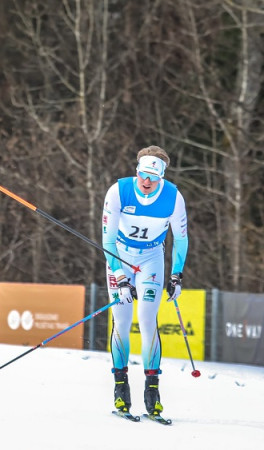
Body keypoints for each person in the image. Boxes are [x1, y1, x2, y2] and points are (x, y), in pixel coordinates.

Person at [101, 145, 188, 419]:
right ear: (136, 171)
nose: (146, 182)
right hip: (120, 257)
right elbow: (107, 239)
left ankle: (152, 392)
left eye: (153, 177)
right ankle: (120, 388)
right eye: (143, 175)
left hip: (151, 259)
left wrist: (176, 274)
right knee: (122, 320)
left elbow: (181, 239)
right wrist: (120, 275)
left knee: (148, 319)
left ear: (161, 177)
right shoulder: (118, 191)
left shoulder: (173, 197)